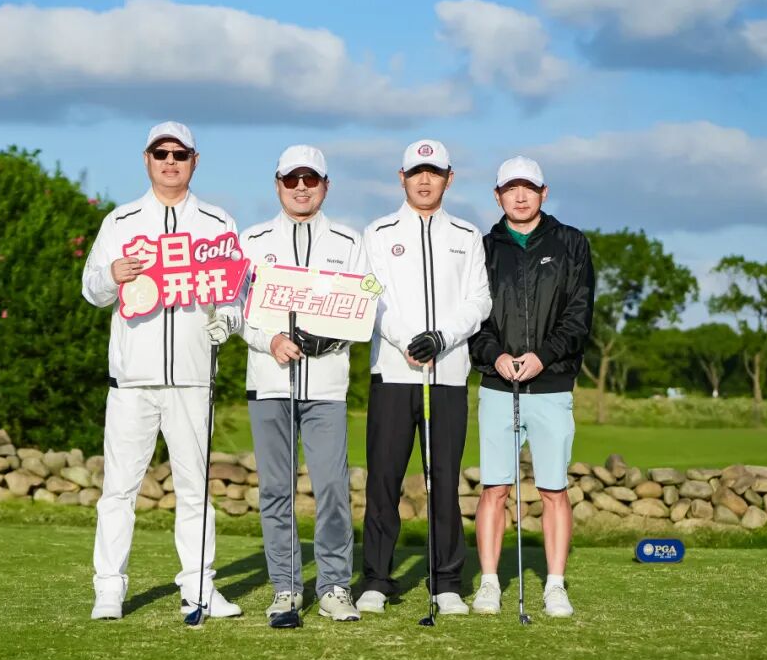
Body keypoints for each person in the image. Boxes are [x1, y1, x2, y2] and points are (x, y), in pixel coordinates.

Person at [82, 121, 243, 620]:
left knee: (195, 490)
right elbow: (91, 288)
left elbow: (236, 291)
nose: (170, 161)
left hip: (193, 379)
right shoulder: (120, 221)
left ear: (195, 160)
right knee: (118, 490)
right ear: (147, 159)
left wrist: (228, 320)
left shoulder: (217, 222)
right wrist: (112, 275)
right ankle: (109, 589)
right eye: (161, 153)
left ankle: (199, 587)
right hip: (132, 380)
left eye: (179, 154)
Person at [357, 139, 492, 616]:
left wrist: (442, 337)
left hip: (448, 376)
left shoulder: (466, 234)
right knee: (383, 481)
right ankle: (376, 578)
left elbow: (479, 300)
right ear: (402, 177)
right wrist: (406, 339)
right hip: (394, 374)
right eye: (416, 172)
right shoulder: (377, 232)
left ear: (449, 178)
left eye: (434, 172)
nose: (425, 179)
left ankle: (446, 582)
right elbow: (369, 295)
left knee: (444, 481)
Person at [239, 145, 368, 622]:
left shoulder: (349, 241)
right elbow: (234, 309)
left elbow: (368, 299)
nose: (300, 187)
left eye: (310, 179)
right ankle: (287, 587)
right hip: (269, 383)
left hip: (327, 386)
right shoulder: (252, 240)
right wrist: (269, 339)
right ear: (278, 184)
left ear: (325, 186)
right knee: (276, 490)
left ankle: (334, 586)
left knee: (332, 488)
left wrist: (332, 336)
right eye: (291, 179)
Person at [468, 156, 595, 618]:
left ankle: (555, 585)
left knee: (553, 489)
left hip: (552, 384)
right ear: (497, 195)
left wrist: (543, 355)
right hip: (497, 385)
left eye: (528, 188)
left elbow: (578, 314)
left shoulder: (570, 243)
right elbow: (473, 316)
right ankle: (488, 583)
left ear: (544, 192)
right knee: (494, 488)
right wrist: (494, 355)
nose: (519, 196)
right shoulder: (483, 247)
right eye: (510, 188)